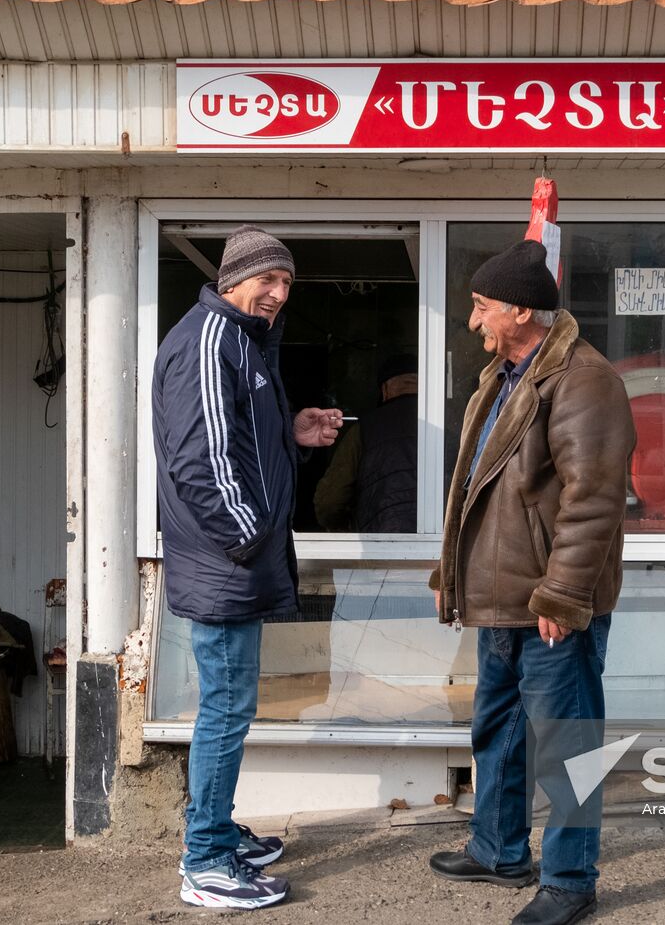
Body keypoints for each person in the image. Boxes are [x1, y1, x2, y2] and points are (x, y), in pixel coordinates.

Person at [427, 240, 636, 925]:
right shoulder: (503, 375)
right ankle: (498, 849)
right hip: (501, 596)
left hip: (549, 602)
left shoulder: (584, 378)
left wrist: (563, 592)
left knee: (566, 743)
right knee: (499, 730)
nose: (473, 321)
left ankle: (571, 879)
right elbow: (474, 488)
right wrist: (450, 572)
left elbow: (594, 496)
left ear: (520, 309)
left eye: (481, 307)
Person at [152, 225, 343, 910]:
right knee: (226, 710)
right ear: (234, 277)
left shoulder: (239, 342)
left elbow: (236, 437)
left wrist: (292, 430)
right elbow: (199, 463)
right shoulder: (210, 340)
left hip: (233, 565)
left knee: (229, 708)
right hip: (225, 566)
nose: (278, 293)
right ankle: (205, 859)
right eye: (268, 278)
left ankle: (217, 830)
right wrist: (251, 538)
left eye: (286, 282)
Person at [313, 353, 419, 533]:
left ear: (385, 390)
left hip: (378, 544)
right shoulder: (444, 431)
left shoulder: (364, 430)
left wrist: (344, 530)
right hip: (437, 547)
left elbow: (328, 502)